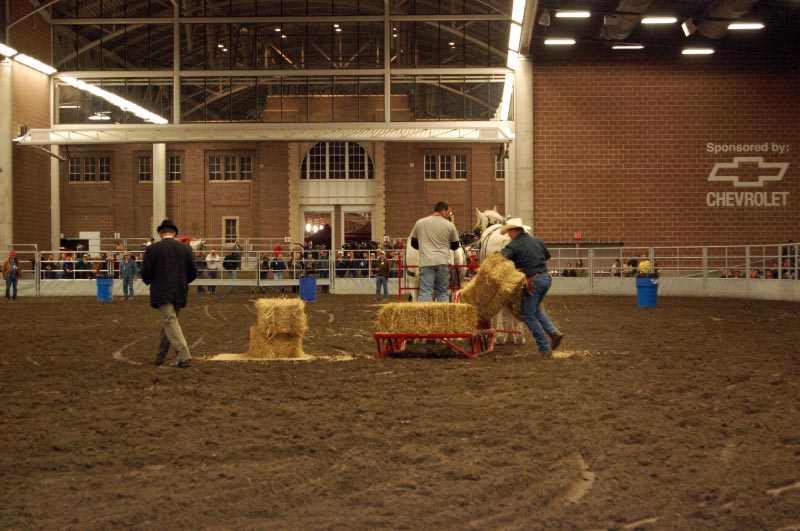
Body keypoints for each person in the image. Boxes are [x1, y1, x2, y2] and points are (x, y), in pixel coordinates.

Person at [498, 218, 564, 358]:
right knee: (535, 309)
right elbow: (547, 255)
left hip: (533, 281)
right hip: (546, 278)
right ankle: (553, 332)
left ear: (515, 231)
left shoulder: (514, 245)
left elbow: (501, 257)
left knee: (528, 315)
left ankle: (544, 348)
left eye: (509, 232)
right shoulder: (537, 240)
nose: (508, 235)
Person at [140, 219, 198, 369]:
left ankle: (184, 356)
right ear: (174, 233)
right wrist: (182, 282)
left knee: (170, 321)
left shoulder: (153, 249)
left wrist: (150, 281)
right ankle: (159, 357)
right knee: (170, 321)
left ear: (160, 233)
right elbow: (193, 272)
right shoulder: (185, 249)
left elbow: (145, 272)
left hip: (161, 291)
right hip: (180, 291)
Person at [409, 201, 460, 302]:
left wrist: (425, 246)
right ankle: (442, 316)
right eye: (449, 212)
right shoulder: (450, 225)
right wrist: (445, 244)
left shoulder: (420, 222)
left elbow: (413, 243)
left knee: (425, 292)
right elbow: (455, 246)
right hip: (443, 262)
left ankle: (423, 316)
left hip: (426, 262)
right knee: (442, 292)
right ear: (443, 211)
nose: (449, 215)